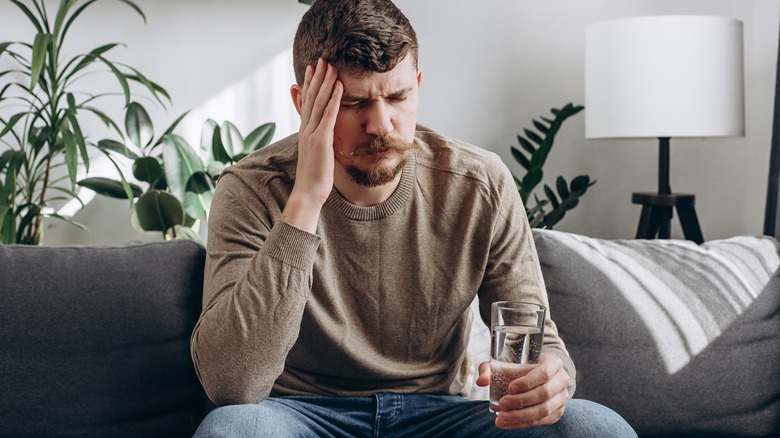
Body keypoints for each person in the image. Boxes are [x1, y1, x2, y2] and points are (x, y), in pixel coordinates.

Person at [191, 0, 637, 436]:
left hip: (441, 412)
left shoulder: (479, 184)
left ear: (418, 85)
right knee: (233, 429)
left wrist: (550, 380)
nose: (381, 124)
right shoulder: (251, 188)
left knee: (594, 427)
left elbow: (536, 336)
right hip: (299, 414)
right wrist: (306, 198)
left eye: (398, 96)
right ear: (304, 101)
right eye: (353, 103)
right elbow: (233, 383)